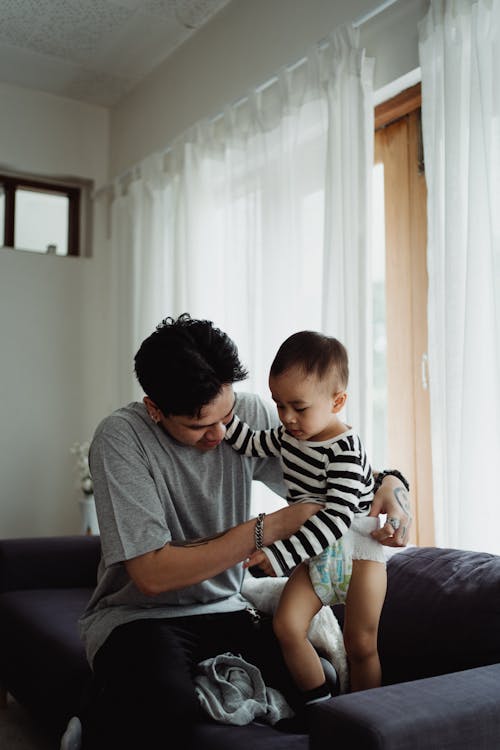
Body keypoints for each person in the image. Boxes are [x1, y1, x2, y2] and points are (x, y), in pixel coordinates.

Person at [77, 313, 412, 749]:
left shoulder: (252, 417)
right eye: (199, 426)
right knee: (166, 710)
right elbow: (152, 575)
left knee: (320, 683)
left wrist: (393, 482)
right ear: (155, 409)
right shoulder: (121, 440)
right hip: (138, 617)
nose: (221, 434)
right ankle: (92, 722)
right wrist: (267, 529)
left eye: (227, 415)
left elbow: (337, 477)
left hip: (226, 607)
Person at [225, 331, 401, 729]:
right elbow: (251, 442)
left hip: (358, 550)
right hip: (319, 553)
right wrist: (223, 421)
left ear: (337, 401)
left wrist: (279, 555)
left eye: (298, 407)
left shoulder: (344, 449)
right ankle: (319, 709)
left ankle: (366, 722)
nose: (286, 417)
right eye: (279, 404)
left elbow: (337, 518)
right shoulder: (290, 435)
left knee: (361, 645)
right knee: (287, 626)